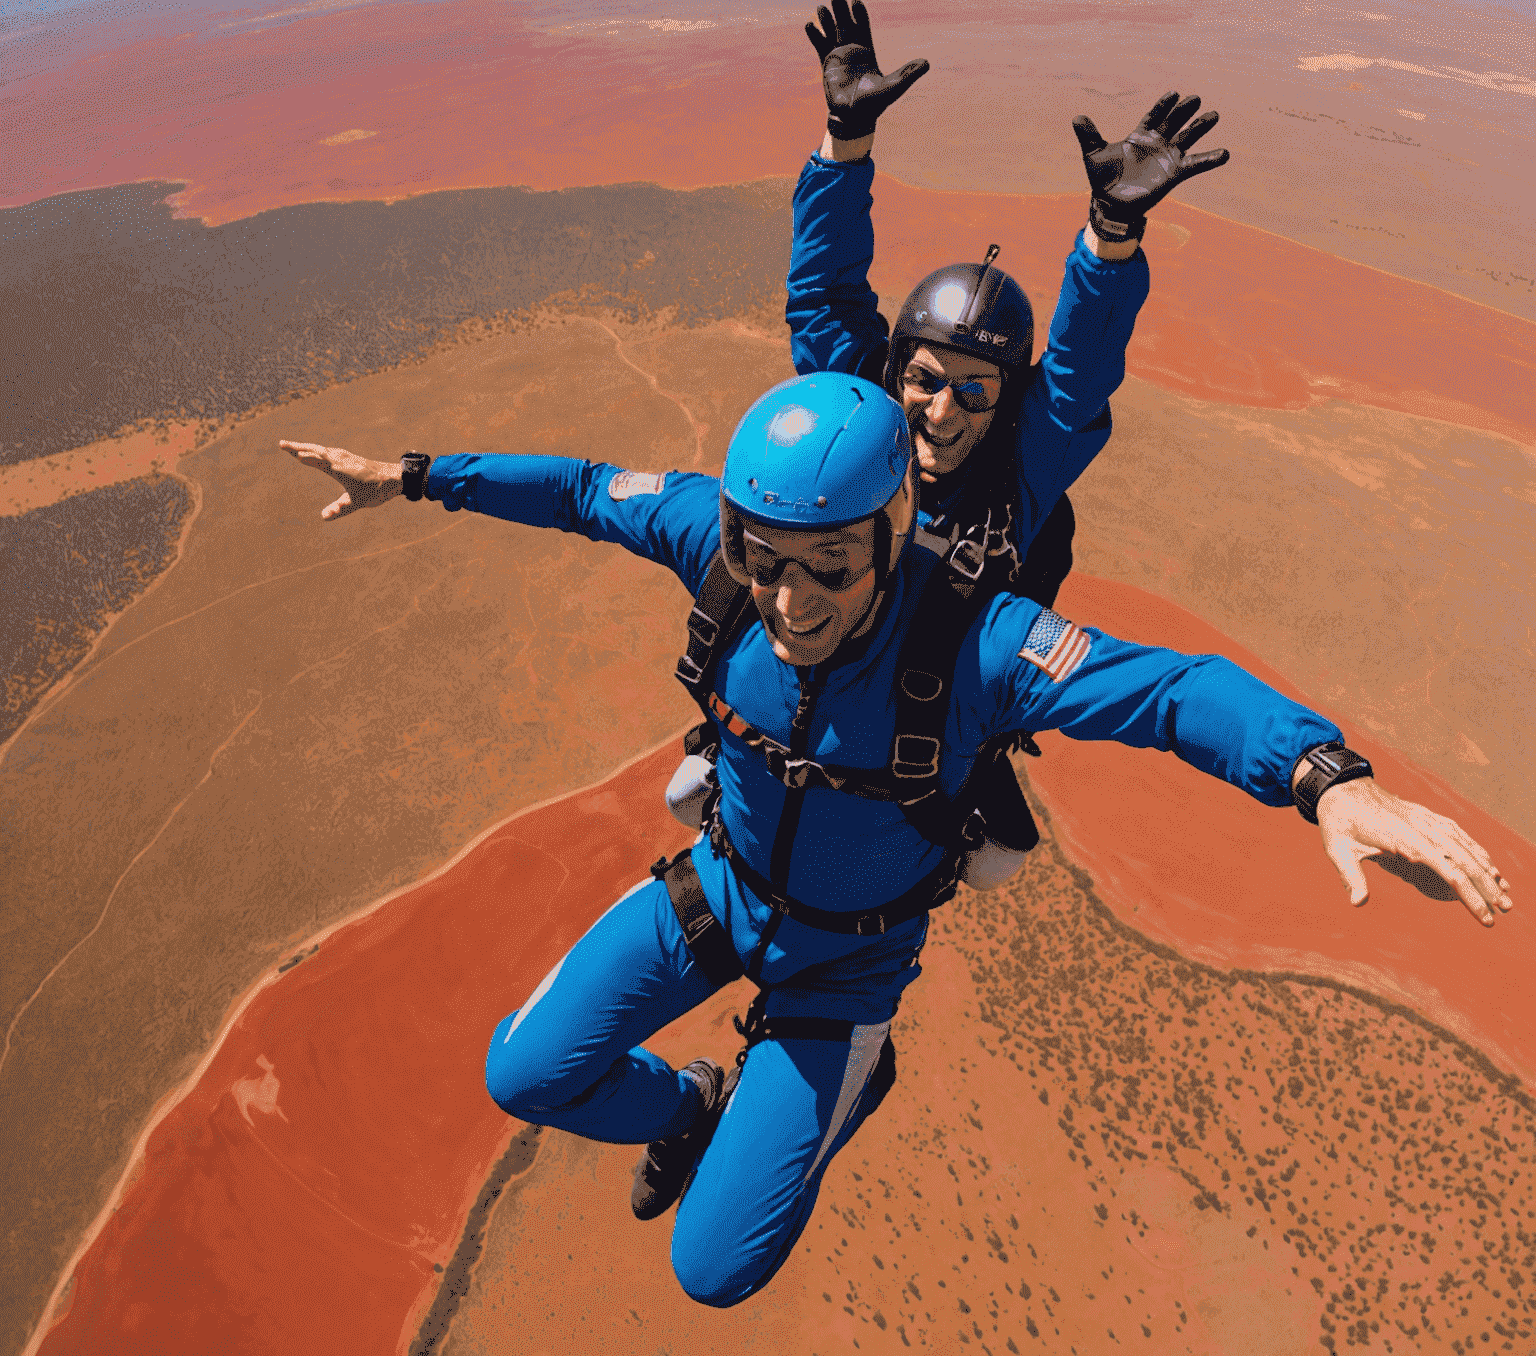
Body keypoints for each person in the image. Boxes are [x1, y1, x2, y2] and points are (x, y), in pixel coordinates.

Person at [279, 379, 1510, 1310]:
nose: (789, 598)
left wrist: (1322, 776)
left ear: (889, 536)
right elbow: (589, 492)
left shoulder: (976, 646)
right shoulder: (723, 547)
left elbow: (1171, 693)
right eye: (766, 563)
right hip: (717, 891)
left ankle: (847, 1076)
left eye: (828, 567)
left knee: (710, 1270)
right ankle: (693, 1101)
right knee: (525, 1074)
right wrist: (420, 473)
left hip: (843, 972)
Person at [789, 0, 1229, 607]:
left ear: (1008, 402)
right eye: (924, 380)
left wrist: (1112, 234)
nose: (941, 414)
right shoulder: (861, 412)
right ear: (891, 371)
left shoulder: (1015, 474)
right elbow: (826, 303)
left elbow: (1078, 375)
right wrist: (846, 140)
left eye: (975, 394)